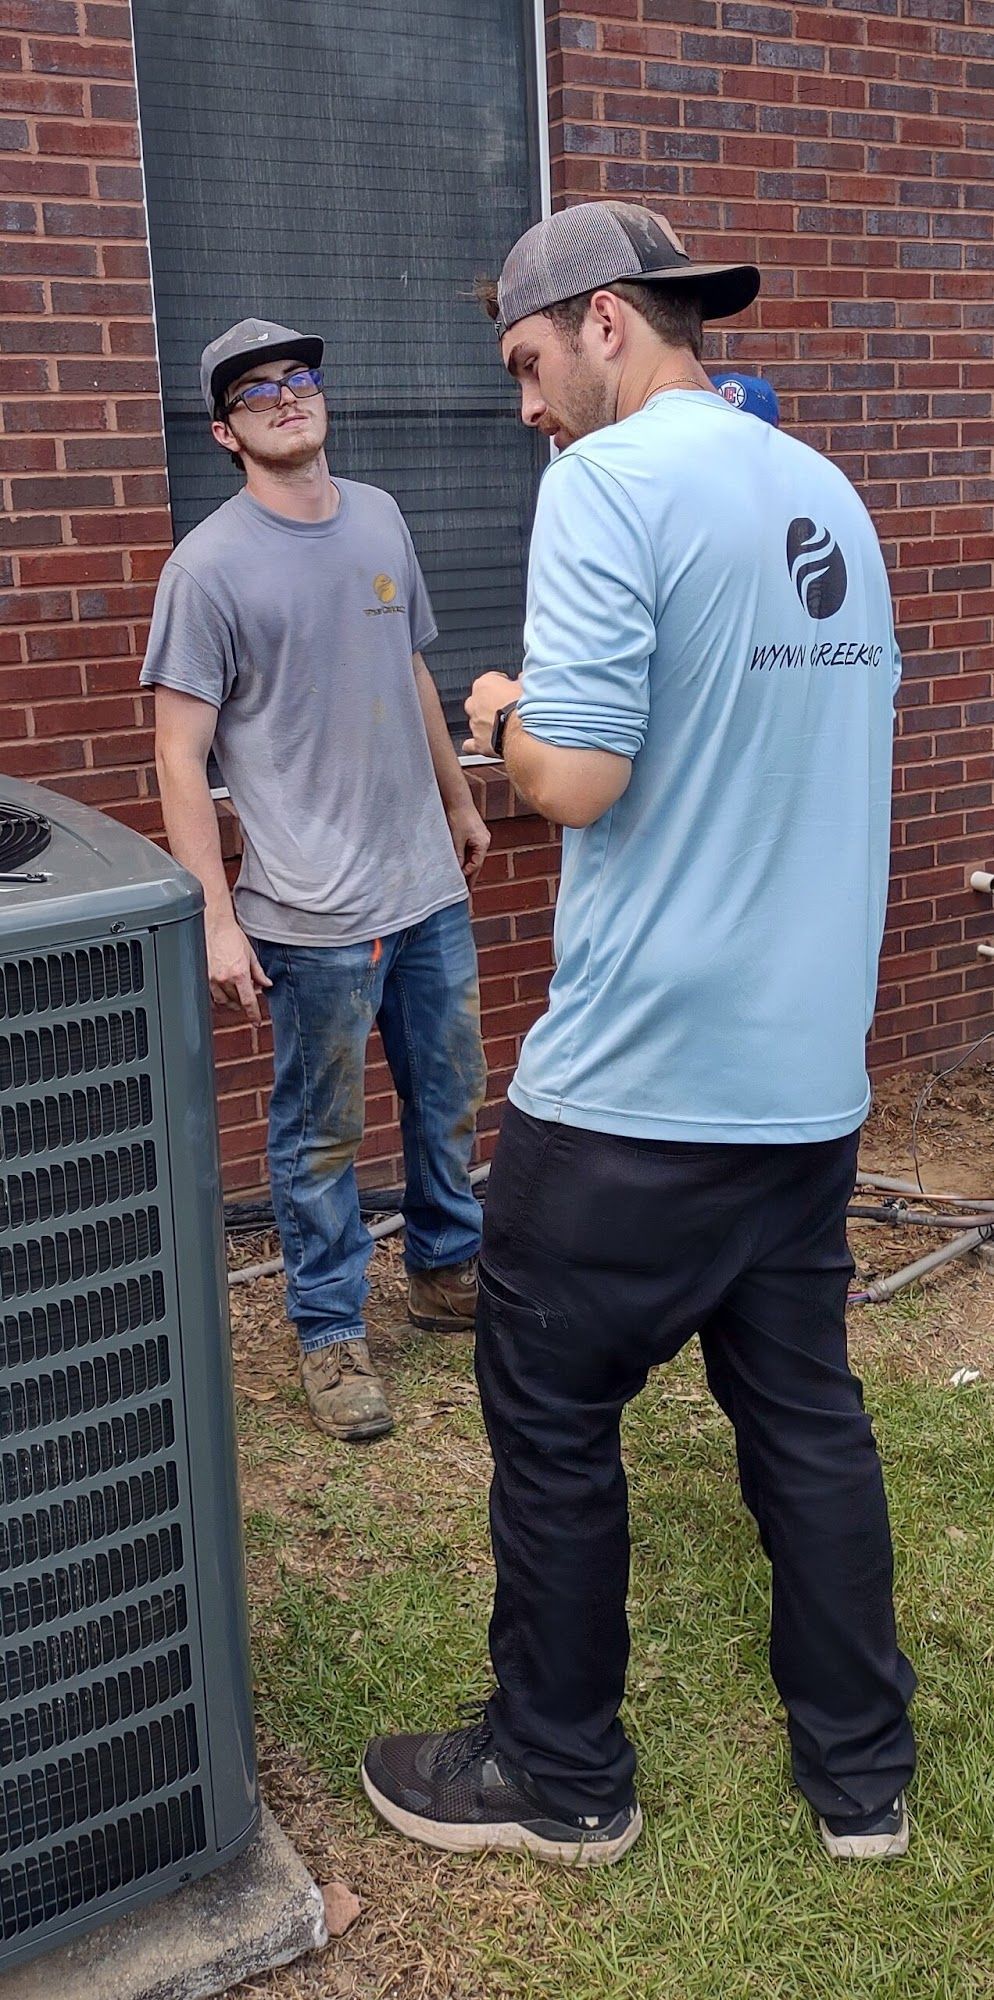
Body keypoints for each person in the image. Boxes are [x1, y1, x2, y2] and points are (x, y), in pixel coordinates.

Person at [361, 204, 915, 1862]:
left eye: (524, 365)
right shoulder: (821, 491)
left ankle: (556, 1776)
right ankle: (858, 1783)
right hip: (800, 1085)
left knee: (544, 1422)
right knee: (804, 1424)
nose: (521, 408)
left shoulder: (603, 486)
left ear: (604, 322)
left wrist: (505, 716)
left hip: (631, 1098)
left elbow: (579, 781)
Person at [141, 316, 489, 1443]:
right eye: (257, 392)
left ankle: (445, 1273)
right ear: (224, 432)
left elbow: (414, 661)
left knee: (448, 1101)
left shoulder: (380, 514)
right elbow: (179, 758)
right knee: (319, 1134)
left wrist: (458, 797)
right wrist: (212, 917)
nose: (288, 398)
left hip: (424, 886)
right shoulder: (207, 568)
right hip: (312, 910)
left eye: (300, 378)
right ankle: (331, 1330)